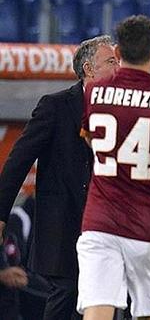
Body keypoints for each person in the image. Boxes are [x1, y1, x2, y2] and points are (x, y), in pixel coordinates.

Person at [76, 15, 150, 320]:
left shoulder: (93, 92)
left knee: (98, 309)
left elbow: (91, 141)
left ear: (117, 52)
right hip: (147, 223)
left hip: (100, 220)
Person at [0, 35, 117, 320]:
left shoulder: (121, 109)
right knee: (65, 297)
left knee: (110, 299)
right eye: (111, 61)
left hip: (107, 225)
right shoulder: (55, 106)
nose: (118, 67)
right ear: (89, 68)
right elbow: (19, 161)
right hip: (63, 224)